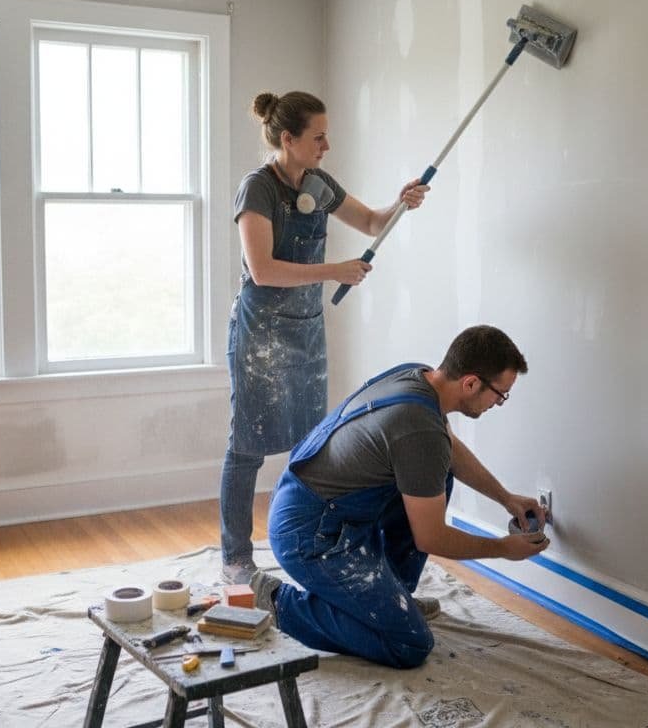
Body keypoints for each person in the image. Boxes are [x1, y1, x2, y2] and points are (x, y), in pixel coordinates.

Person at [250, 325, 550, 669]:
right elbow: (430, 538)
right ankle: (279, 603)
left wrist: (506, 498)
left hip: (315, 505)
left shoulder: (419, 378)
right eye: (500, 394)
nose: (499, 403)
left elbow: (446, 449)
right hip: (309, 534)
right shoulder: (419, 430)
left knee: (439, 476)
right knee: (409, 644)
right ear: (470, 383)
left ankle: (390, 600)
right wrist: (500, 549)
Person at [221, 90, 430, 583]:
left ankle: (302, 544)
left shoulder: (319, 182)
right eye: (318, 137)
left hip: (307, 334)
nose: (327, 145)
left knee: (312, 446)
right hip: (261, 336)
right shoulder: (258, 189)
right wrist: (334, 270)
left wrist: (402, 203)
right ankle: (234, 559)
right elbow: (264, 269)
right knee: (248, 446)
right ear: (288, 140)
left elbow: (373, 222)